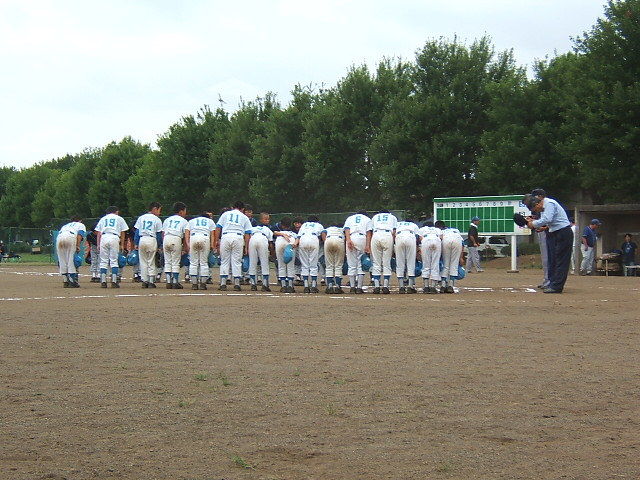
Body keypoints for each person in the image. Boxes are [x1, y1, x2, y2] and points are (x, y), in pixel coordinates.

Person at [524, 194, 572, 293]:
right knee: (554, 259)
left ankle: (557, 286)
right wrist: (539, 225)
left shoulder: (549, 204)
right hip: (556, 231)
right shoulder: (545, 206)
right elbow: (551, 221)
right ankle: (553, 283)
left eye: (536, 209)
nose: (538, 212)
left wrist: (532, 224)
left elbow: (547, 219)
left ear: (537, 204)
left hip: (563, 232)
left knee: (561, 260)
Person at [215, 200, 252, 291]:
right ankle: (237, 284)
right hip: (238, 237)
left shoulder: (225, 214)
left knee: (224, 260)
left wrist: (216, 241)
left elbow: (218, 227)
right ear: (242, 209)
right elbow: (247, 233)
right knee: (237, 261)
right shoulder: (244, 217)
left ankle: (223, 283)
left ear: (233, 207)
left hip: (226, 236)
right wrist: (247, 247)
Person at [96, 206, 128, 288]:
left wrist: (98, 244)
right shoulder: (119, 218)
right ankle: (114, 281)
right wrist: (122, 245)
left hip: (104, 237)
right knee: (114, 260)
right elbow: (123, 232)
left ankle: (103, 281)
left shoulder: (103, 218)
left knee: (103, 261)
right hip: (114, 237)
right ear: (116, 212)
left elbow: (99, 232)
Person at [367, 210, 398, 294]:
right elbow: (394, 232)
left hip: (376, 235)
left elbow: (370, 231)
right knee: (386, 262)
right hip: (387, 235)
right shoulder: (392, 217)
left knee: (376, 262)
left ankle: (377, 286)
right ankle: (385, 286)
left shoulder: (375, 217)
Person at [134, 201, 163, 288]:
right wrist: (159, 245)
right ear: (155, 209)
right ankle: (151, 281)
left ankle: (144, 280)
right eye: (159, 210)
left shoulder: (141, 218)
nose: (159, 213)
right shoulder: (157, 219)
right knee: (151, 260)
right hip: (151, 239)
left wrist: (136, 243)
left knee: (143, 261)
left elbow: (137, 232)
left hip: (142, 239)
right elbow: (158, 234)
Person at [162, 201, 189, 289]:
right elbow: (185, 235)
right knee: (175, 261)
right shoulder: (184, 221)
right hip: (176, 238)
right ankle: (175, 281)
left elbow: (163, 233)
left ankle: (168, 281)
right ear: (181, 211)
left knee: (167, 261)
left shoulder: (167, 220)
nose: (185, 213)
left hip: (166, 238)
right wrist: (185, 247)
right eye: (185, 211)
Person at [343, 211, 371, 294]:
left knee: (351, 264)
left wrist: (348, 240)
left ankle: (352, 287)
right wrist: (367, 246)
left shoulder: (350, 218)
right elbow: (368, 233)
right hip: (362, 238)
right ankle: (359, 287)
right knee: (360, 264)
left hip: (351, 236)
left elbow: (347, 229)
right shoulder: (367, 219)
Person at [186, 212, 216, 290]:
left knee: (193, 262)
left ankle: (194, 284)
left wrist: (188, 243)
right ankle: (203, 284)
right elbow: (213, 234)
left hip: (193, 238)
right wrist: (212, 245)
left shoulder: (192, 221)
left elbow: (187, 232)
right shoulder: (210, 221)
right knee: (204, 262)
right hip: (204, 238)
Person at [56, 215, 86, 288]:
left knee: (62, 260)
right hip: (70, 237)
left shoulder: (65, 225)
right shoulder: (80, 224)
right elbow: (80, 234)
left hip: (59, 237)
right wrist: (78, 245)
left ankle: (65, 281)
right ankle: (72, 281)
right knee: (70, 260)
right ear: (80, 220)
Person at [297, 215, 324, 293]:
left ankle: (306, 286)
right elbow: (322, 236)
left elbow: (298, 237)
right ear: (317, 221)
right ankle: (314, 286)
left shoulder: (304, 225)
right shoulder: (319, 225)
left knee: (304, 264)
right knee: (313, 264)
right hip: (313, 239)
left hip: (303, 239)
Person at [248, 213, 274, 292]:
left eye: (268, 219)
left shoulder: (253, 228)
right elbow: (271, 243)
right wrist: (272, 253)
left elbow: (248, 235)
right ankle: (265, 285)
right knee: (264, 262)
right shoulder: (268, 229)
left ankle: (253, 284)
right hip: (262, 239)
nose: (267, 220)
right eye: (265, 219)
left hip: (252, 239)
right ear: (261, 219)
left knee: (252, 262)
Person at [273, 216, 299, 292]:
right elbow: (298, 238)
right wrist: (295, 244)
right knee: (290, 265)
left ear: (281, 225)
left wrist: (282, 234)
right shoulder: (293, 233)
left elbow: (274, 232)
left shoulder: (279, 233)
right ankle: (290, 286)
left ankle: (283, 286)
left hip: (279, 241)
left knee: (281, 265)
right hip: (291, 241)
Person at [394, 218, 420, 293]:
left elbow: (393, 234)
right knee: (411, 262)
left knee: (400, 262)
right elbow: (417, 237)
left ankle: (401, 287)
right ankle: (410, 286)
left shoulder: (398, 224)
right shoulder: (413, 225)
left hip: (399, 237)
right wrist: (417, 248)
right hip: (410, 237)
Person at [438, 220, 464, 293]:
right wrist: (461, 257)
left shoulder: (441, 231)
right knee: (454, 264)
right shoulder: (456, 230)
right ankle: (451, 286)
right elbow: (462, 244)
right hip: (457, 240)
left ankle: (443, 285)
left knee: (445, 264)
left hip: (446, 240)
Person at [531, 189, 550, 288]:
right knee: (545, 258)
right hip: (543, 231)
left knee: (548, 257)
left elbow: (547, 220)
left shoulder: (547, 204)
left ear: (540, 196)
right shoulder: (540, 206)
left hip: (548, 232)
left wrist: (534, 223)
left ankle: (549, 280)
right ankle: (547, 279)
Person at [418, 221, 443, 294]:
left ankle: (426, 287)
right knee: (435, 264)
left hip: (426, 240)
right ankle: (433, 287)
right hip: (437, 240)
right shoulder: (437, 229)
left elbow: (420, 238)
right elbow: (441, 237)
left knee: (426, 264)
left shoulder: (422, 229)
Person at [322, 223, 346, 294]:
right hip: (339, 240)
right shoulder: (342, 229)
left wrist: (325, 242)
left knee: (329, 266)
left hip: (328, 240)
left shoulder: (328, 229)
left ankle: (330, 287)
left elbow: (323, 232)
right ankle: (338, 287)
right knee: (338, 265)